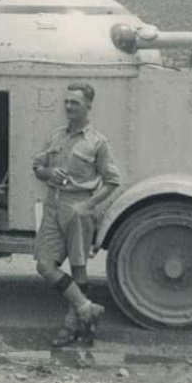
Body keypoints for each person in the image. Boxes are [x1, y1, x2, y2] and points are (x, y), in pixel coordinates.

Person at [32, 82, 121, 347]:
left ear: (88, 106)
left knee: (79, 268)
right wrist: (49, 173)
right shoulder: (56, 136)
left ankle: (73, 327)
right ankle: (86, 309)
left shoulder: (98, 143)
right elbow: (37, 166)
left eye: (75, 103)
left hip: (79, 208)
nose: (69, 107)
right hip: (53, 205)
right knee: (44, 265)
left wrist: (88, 205)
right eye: (67, 102)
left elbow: (113, 181)